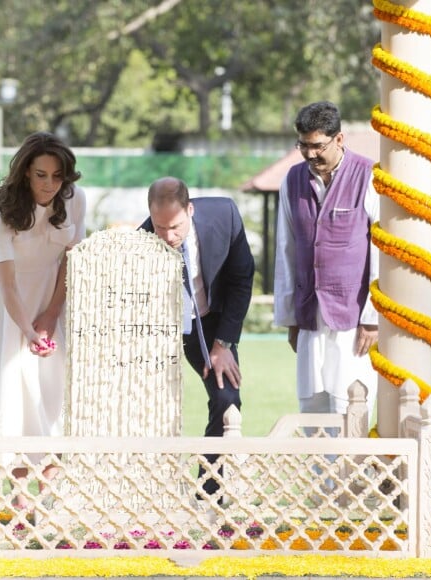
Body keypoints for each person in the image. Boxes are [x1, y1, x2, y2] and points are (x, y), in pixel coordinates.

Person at [0, 131, 86, 441]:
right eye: (41, 175)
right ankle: (17, 483)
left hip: (54, 296)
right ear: (26, 171)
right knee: (9, 389)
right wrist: (28, 332)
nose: (49, 184)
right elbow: (8, 285)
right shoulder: (3, 212)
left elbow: (72, 260)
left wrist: (52, 313)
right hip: (8, 304)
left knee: (53, 390)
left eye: (57, 176)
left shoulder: (74, 198)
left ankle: (50, 474)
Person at [140, 177, 254, 497]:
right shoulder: (143, 239)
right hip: (163, 328)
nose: (168, 236)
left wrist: (224, 344)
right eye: (159, 227)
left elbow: (241, 279)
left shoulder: (225, 215)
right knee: (152, 407)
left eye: (175, 227)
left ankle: (208, 490)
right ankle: (156, 490)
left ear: (190, 209)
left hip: (212, 323)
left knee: (226, 397)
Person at [273, 101, 379, 421]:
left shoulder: (368, 176)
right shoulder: (292, 181)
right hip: (309, 315)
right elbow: (286, 250)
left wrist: (373, 317)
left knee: (350, 402)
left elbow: (381, 250)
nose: (310, 154)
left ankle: (352, 473)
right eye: (303, 145)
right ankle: (323, 474)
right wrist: (291, 317)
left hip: (353, 315)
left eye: (317, 146)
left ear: (339, 139)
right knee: (312, 407)